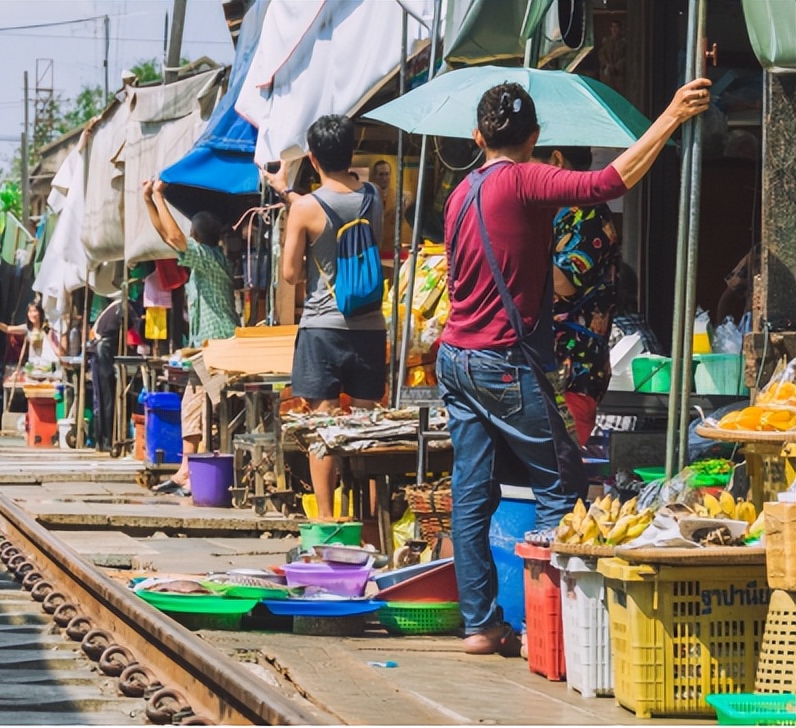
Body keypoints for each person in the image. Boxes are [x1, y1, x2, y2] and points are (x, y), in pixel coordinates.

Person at [435, 77, 711, 656]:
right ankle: (565, 634)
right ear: (535, 138)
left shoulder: (459, 194)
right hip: (504, 363)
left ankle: (481, 625)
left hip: (455, 359)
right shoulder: (527, 176)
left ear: (477, 135)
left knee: (471, 496)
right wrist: (671, 115)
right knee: (561, 487)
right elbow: (611, 180)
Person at [261, 115, 388, 521]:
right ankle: (371, 525)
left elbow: (291, 274)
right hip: (369, 327)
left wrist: (292, 205)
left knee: (323, 430)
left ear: (312, 158)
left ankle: (326, 522)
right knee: (367, 429)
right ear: (352, 150)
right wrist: (289, 194)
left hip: (322, 329)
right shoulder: (374, 197)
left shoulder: (305, 209)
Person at [142, 179, 237, 494]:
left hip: (217, 348)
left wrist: (158, 195)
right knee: (195, 405)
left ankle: (190, 470)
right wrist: (148, 201)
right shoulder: (207, 260)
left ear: (196, 237)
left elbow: (172, 235)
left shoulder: (209, 258)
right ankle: (187, 469)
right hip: (207, 349)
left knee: (201, 405)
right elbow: (167, 236)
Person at [531, 146, 621, 447]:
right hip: (544, 363)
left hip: (574, 367)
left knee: (561, 464)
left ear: (555, 160)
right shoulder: (554, 212)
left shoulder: (587, 211)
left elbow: (566, 282)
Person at [90, 292, 144, 452]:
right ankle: (106, 440)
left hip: (100, 350)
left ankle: (102, 440)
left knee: (102, 397)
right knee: (107, 397)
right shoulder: (126, 307)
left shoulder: (115, 306)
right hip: (103, 351)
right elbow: (138, 330)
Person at [0, 300, 63, 379]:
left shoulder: (46, 328)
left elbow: (53, 344)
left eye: (35, 311)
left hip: (46, 365)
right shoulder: (28, 328)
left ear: (40, 313)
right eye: (30, 312)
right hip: (33, 365)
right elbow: (7, 328)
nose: (32, 314)